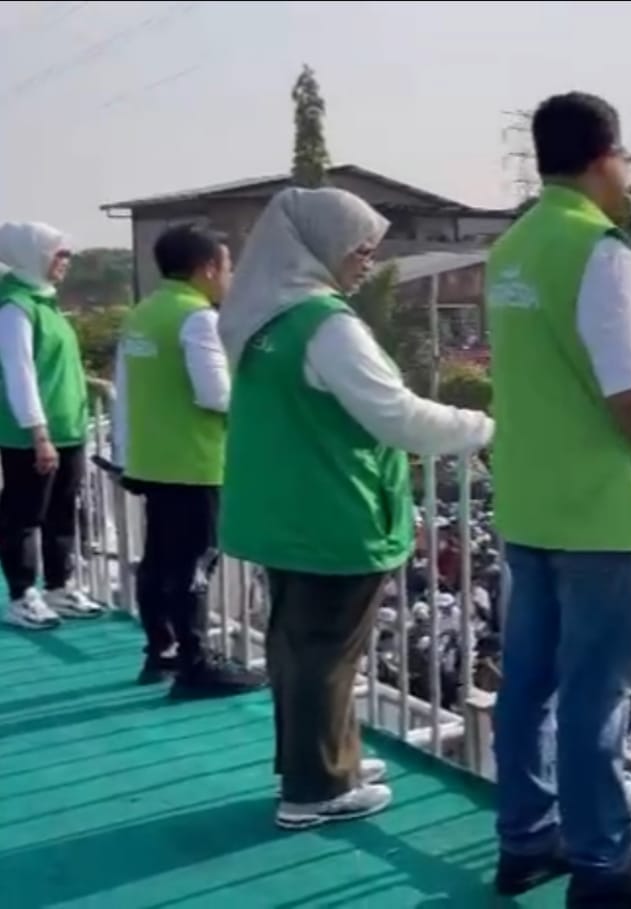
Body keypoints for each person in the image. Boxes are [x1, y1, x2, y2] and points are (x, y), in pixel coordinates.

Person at [487, 91, 631, 905]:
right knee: (596, 692)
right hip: (602, 511)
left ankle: (525, 840)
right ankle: (604, 863)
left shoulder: (511, 246)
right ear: (604, 158)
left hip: (528, 498)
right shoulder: (601, 252)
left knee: (530, 681)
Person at [217, 187, 492, 830]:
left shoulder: (262, 319)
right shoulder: (326, 325)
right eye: (360, 248)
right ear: (319, 248)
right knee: (325, 653)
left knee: (297, 645)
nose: (369, 260)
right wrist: (482, 427)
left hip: (283, 508)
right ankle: (315, 788)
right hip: (331, 510)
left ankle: (326, 761)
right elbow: (399, 418)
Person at [114, 224, 264, 696]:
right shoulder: (197, 318)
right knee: (195, 564)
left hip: (152, 459)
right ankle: (196, 664)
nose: (230, 276)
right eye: (227, 266)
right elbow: (215, 394)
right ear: (206, 269)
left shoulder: (143, 313)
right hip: (195, 462)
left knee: (158, 560)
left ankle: (160, 652)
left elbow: (124, 389)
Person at [0, 222, 103, 630]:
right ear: (33, 255)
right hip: (33, 436)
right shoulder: (14, 308)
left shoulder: (46, 302)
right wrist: (38, 433)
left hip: (69, 431)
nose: (66, 262)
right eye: (58, 254)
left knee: (63, 510)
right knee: (25, 513)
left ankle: (60, 586)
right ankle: (23, 594)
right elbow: (19, 373)